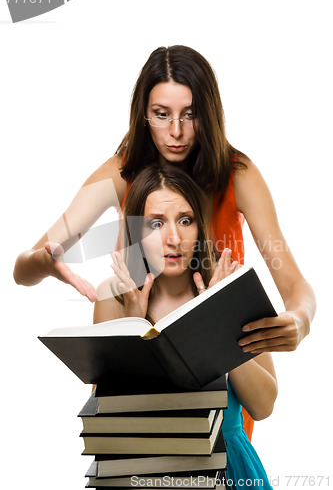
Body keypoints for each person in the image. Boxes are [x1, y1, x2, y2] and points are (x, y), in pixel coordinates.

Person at [13, 45, 315, 439]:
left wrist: (299, 321)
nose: (176, 131)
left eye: (190, 114)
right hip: (140, 384)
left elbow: (293, 283)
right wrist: (46, 262)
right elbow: (25, 267)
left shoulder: (237, 175)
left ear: (208, 113)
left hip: (224, 364)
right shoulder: (120, 173)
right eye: (161, 115)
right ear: (144, 116)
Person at [93, 164, 277, 490]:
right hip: (143, 469)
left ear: (200, 227)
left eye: (185, 220)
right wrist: (134, 327)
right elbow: (107, 416)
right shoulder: (114, 296)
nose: (174, 238)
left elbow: (263, 407)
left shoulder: (230, 282)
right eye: (156, 224)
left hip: (228, 466)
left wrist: (218, 325)